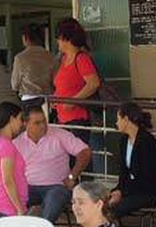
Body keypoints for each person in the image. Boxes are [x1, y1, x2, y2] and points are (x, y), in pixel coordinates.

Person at [0, 106, 91, 223]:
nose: (43, 125)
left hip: (55, 186)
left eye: (44, 121)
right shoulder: (16, 142)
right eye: (37, 123)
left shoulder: (59, 134)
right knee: (10, 198)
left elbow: (85, 151)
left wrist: (72, 176)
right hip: (27, 187)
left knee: (55, 199)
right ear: (25, 124)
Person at [53, 18, 101, 170]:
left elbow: (93, 83)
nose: (57, 42)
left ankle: (83, 189)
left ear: (65, 38)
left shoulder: (81, 58)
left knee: (79, 159)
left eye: (59, 38)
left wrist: (73, 100)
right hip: (63, 118)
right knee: (66, 160)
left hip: (77, 119)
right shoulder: (64, 59)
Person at [109, 102, 156, 219]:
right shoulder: (124, 141)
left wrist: (122, 192)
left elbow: (148, 177)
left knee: (115, 207)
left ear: (126, 119)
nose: (116, 123)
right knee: (104, 202)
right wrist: (118, 189)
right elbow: (123, 171)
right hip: (131, 189)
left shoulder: (147, 142)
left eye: (118, 119)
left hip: (149, 192)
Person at [11, 24, 54, 106]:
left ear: (26, 38)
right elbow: (55, 80)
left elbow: (14, 85)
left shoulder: (20, 58)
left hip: (29, 99)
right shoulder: (50, 56)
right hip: (48, 99)